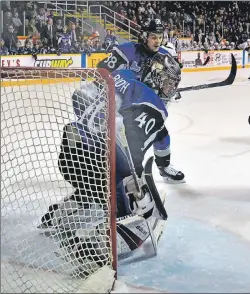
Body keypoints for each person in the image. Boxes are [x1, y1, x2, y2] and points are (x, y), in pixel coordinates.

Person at [38, 53, 181, 271]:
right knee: (128, 208)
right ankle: (94, 247)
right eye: (169, 83)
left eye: (174, 85)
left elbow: (80, 95)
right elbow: (152, 153)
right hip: (103, 158)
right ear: (156, 76)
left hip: (73, 151)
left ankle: (58, 216)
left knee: (97, 190)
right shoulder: (159, 113)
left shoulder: (123, 78)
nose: (171, 90)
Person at [97, 19, 185, 184]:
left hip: (141, 106)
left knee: (161, 134)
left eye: (160, 37)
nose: (157, 41)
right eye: (153, 37)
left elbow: (168, 82)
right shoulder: (128, 51)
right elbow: (101, 70)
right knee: (124, 144)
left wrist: (168, 89)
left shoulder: (164, 56)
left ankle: (163, 167)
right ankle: (118, 174)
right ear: (144, 36)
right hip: (120, 105)